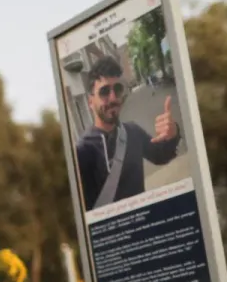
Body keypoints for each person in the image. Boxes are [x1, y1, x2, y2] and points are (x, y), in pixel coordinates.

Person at [74, 56, 180, 210]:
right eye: (104, 91)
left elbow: (160, 156)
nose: (113, 98)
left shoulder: (133, 132)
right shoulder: (81, 152)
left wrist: (173, 134)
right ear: (91, 102)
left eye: (117, 89)